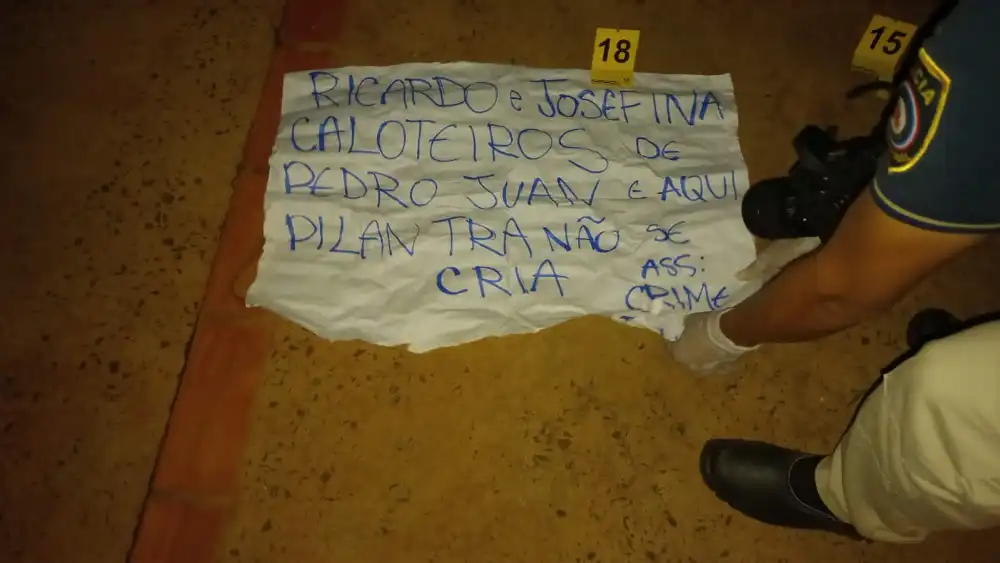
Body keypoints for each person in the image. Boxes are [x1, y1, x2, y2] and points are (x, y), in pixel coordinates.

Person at [668, 0, 1000, 544]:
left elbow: (840, 290)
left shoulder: (982, 62)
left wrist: (723, 334)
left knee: (952, 398)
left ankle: (850, 501)